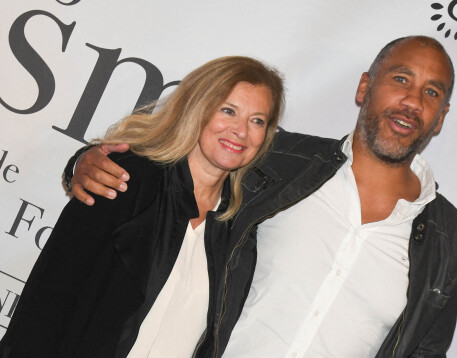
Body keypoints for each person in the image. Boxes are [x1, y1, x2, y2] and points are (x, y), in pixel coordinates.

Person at [61, 36, 457, 357]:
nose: (413, 101)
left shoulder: (447, 238)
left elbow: (424, 351)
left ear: (441, 118)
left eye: (432, 92)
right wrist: (87, 161)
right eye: (401, 79)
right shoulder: (280, 159)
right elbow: (176, 163)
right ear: (365, 87)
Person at [0, 56, 284, 358]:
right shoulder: (125, 179)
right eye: (228, 111)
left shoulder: (240, 229)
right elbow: (49, 297)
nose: (241, 130)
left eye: (257, 120)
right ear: (196, 109)